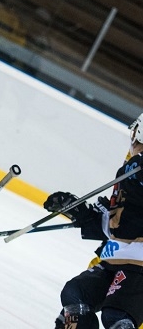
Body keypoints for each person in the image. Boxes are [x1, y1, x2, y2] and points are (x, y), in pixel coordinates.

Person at [43, 112, 143, 329]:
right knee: (74, 300)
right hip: (118, 261)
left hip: (138, 266)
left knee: (115, 316)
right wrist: (80, 212)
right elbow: (119, 224)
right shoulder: (132, 170)